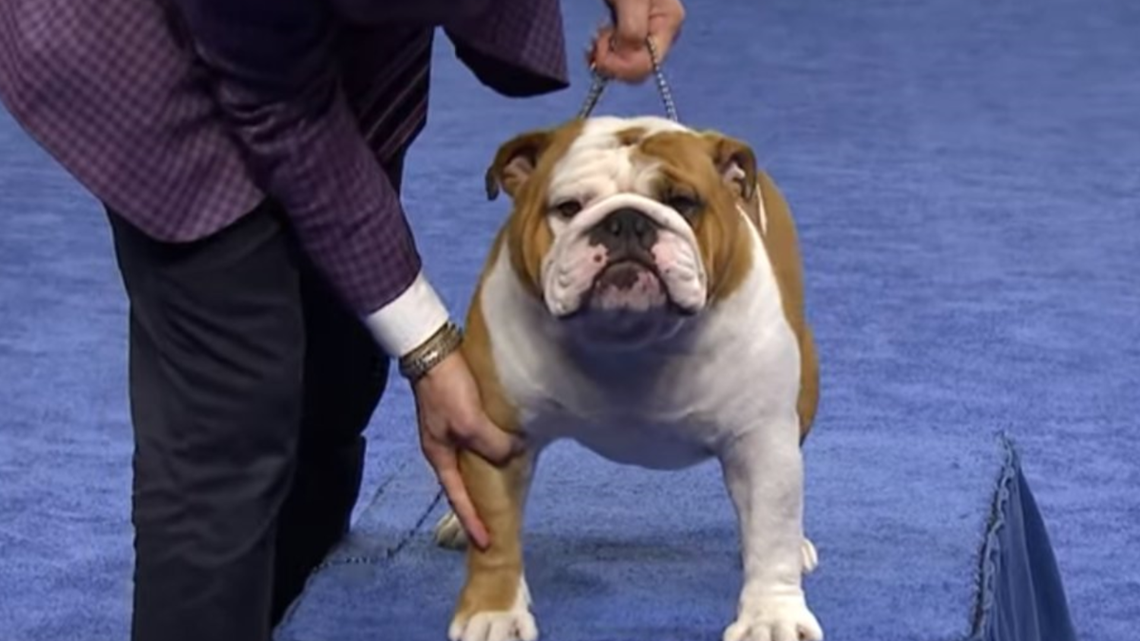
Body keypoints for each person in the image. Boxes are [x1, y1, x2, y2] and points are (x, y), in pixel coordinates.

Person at [0, 0, 684, 639]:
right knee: (231, 406)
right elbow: (285, 110)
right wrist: (428, 347)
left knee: (340, 353)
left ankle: (296, 593)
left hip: (305, 34)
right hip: (143, 45)